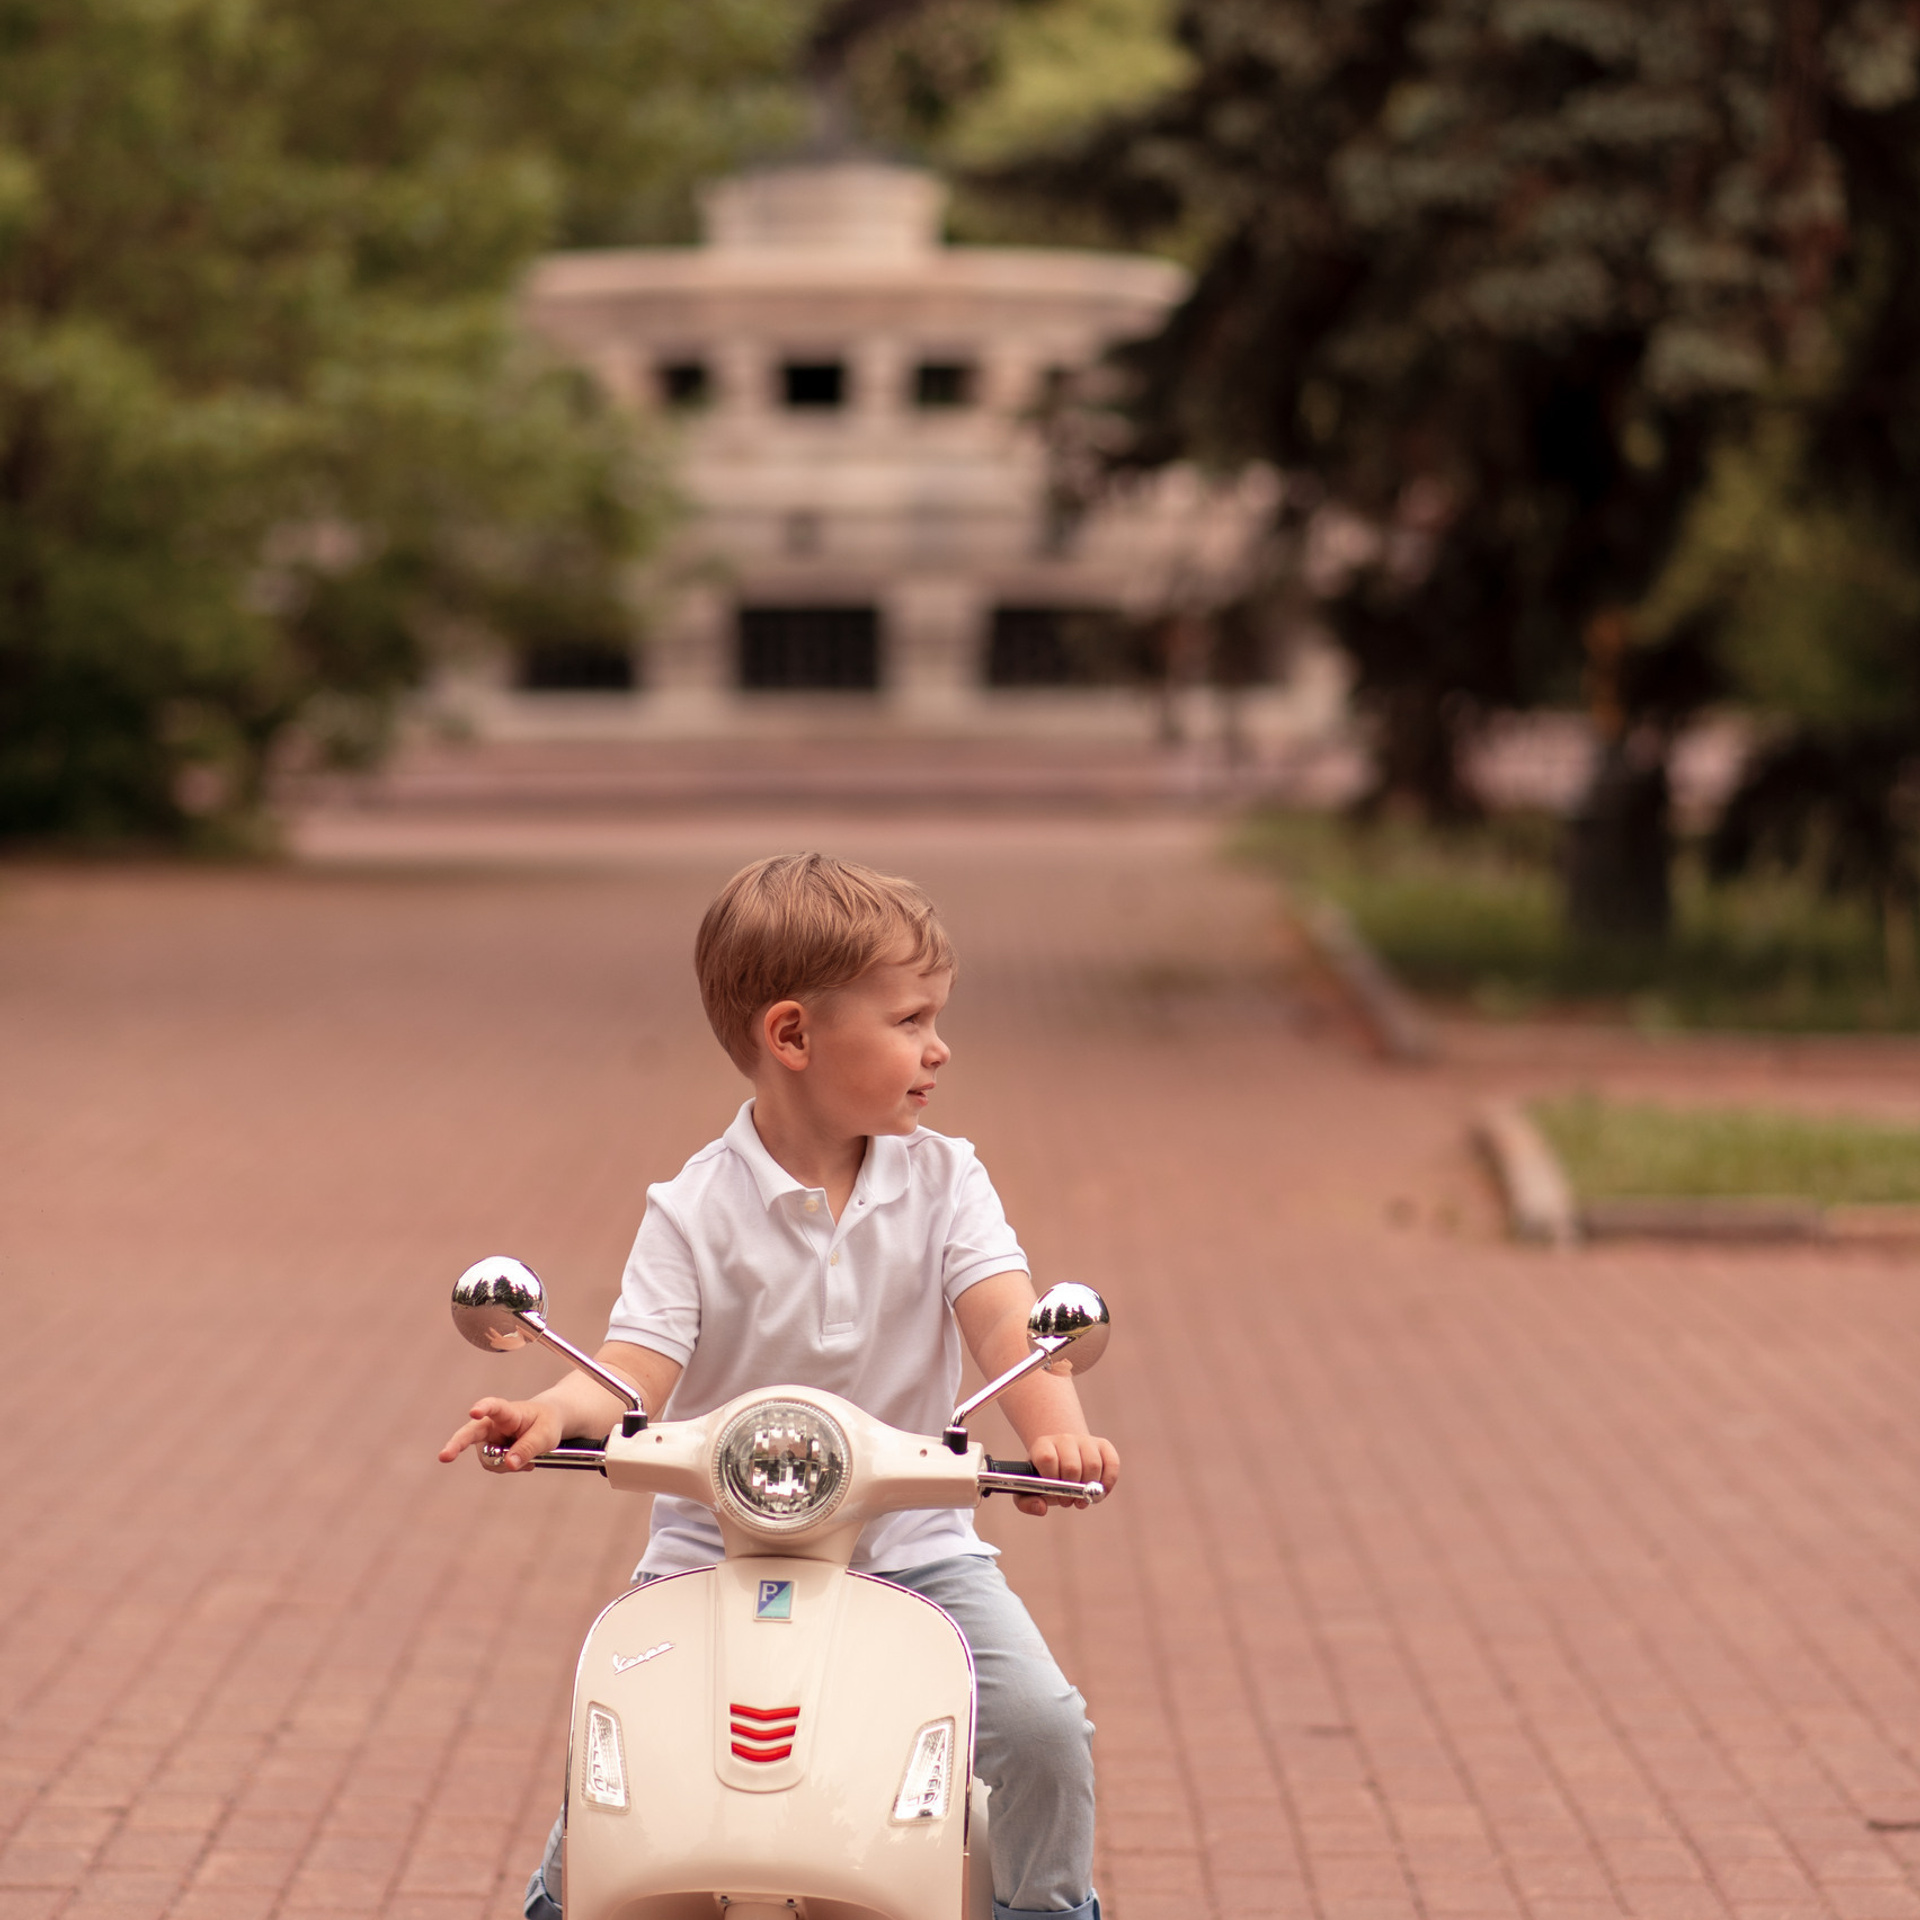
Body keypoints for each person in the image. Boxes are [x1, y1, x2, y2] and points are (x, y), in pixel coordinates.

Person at [439, 851, 1120, 1920]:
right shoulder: (694, 1208)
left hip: (914, 1549)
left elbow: (1003, 1317)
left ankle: (1049, 1911)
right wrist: (548, 1412)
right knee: (617, 1740)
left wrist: (1058, 1433)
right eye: (909, 1021)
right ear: (793, 1035)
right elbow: (631, 1371)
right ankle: (560, 1904)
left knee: (1043, 1729)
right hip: (713, 1549)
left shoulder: (947, 1179)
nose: (937, 1048)